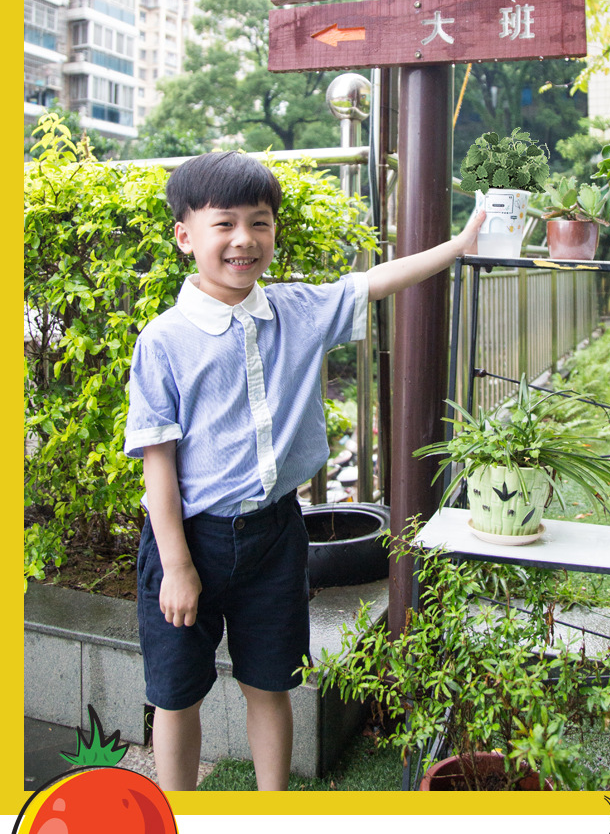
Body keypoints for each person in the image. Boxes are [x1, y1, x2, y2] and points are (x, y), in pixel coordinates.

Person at [124, 150, 484, 791]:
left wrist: (458, 246)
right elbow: (160, 466)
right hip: (190, 541)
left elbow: (375, 281)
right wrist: (176, 566)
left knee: (271, 682)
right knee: (176, 695)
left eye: (259, 222)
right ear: (185, 236)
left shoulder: (297, 310)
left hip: (275, 536)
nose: (244, 239)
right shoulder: (164, 339)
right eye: (224, 223)